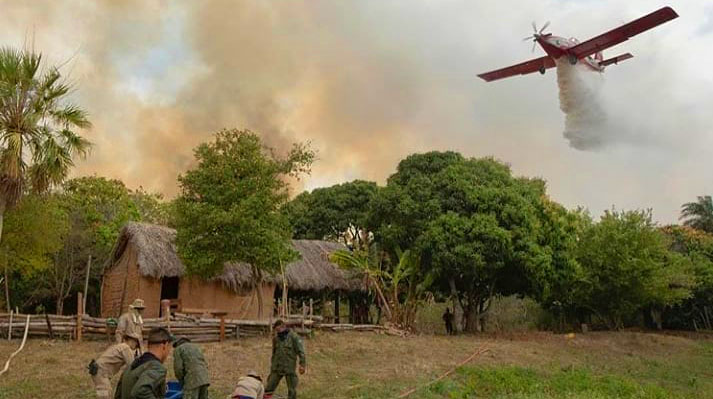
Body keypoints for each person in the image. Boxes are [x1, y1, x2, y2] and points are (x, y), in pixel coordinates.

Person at [114, 327, 173, 399]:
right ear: (165, 345)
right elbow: (141, 390)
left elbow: (118, 395)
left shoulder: (131, 366)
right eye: (169, 348)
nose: (168, 352)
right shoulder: (157, 368)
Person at [89, 332, 141, 399]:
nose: (135, 346)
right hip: (102, 372)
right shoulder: (126, 348)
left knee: (104, 393)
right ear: (132, 341)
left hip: (98, 371)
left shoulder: (119, 346)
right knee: (105, 395)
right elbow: (132, 365)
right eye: (136, 343)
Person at [264, 320, 306, 399]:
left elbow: (301, 352)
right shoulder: (276, 339)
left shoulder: (294, 337)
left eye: (279, 329)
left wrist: (302, 365)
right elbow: (274, 354)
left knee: (292, 391)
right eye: (276, 330)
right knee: (268, 388)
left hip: (289, 368)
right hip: (277, 368)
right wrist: (272, 367)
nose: (278, 332)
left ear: (283, 326)